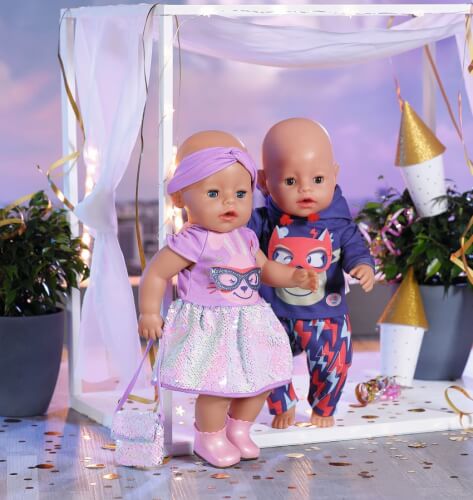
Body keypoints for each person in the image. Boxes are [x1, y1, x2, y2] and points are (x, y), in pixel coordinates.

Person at [139, 130, 318, 468]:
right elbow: (157, 273)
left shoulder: (246, 237)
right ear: (179, 198)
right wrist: (149, 312)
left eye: (240, 193)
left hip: (250, 324)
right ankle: (209, 436)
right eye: (213, 193)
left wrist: (292, 276)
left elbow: (265, 269)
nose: (229, 203)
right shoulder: (193, 241)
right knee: (218, 388)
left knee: (260, 382)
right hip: (212, 327)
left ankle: (239, 429)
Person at [249, 118, 375, 430]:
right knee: (265, 358)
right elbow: (236, 235)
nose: (305, 188)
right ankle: (282, 403)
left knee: (334, 363)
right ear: (264, 181)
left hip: (326, 314)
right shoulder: (263, 221)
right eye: (290, 181)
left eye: (318, 179)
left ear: (334, 175)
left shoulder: (339, 224)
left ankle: (324, 405)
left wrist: (362, 265)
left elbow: (355, 247)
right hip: (273, 313)